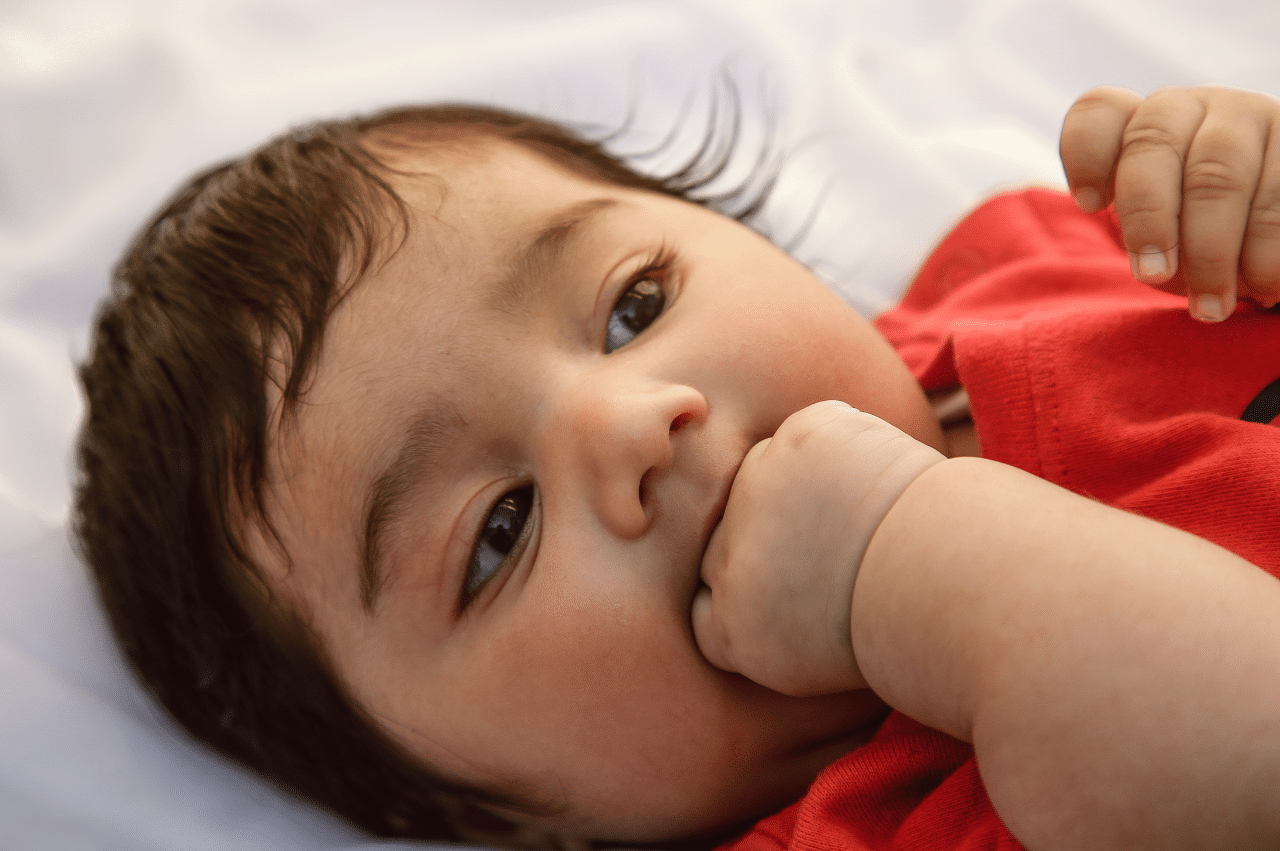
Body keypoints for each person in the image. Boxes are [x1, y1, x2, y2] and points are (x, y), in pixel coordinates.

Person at [73, 84, 1280, 850]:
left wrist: (1246, 179)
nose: (627, 423)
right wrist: (905, 558)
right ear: (487, 815)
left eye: (632, 307)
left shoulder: (1038, 266)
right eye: (500, 528)